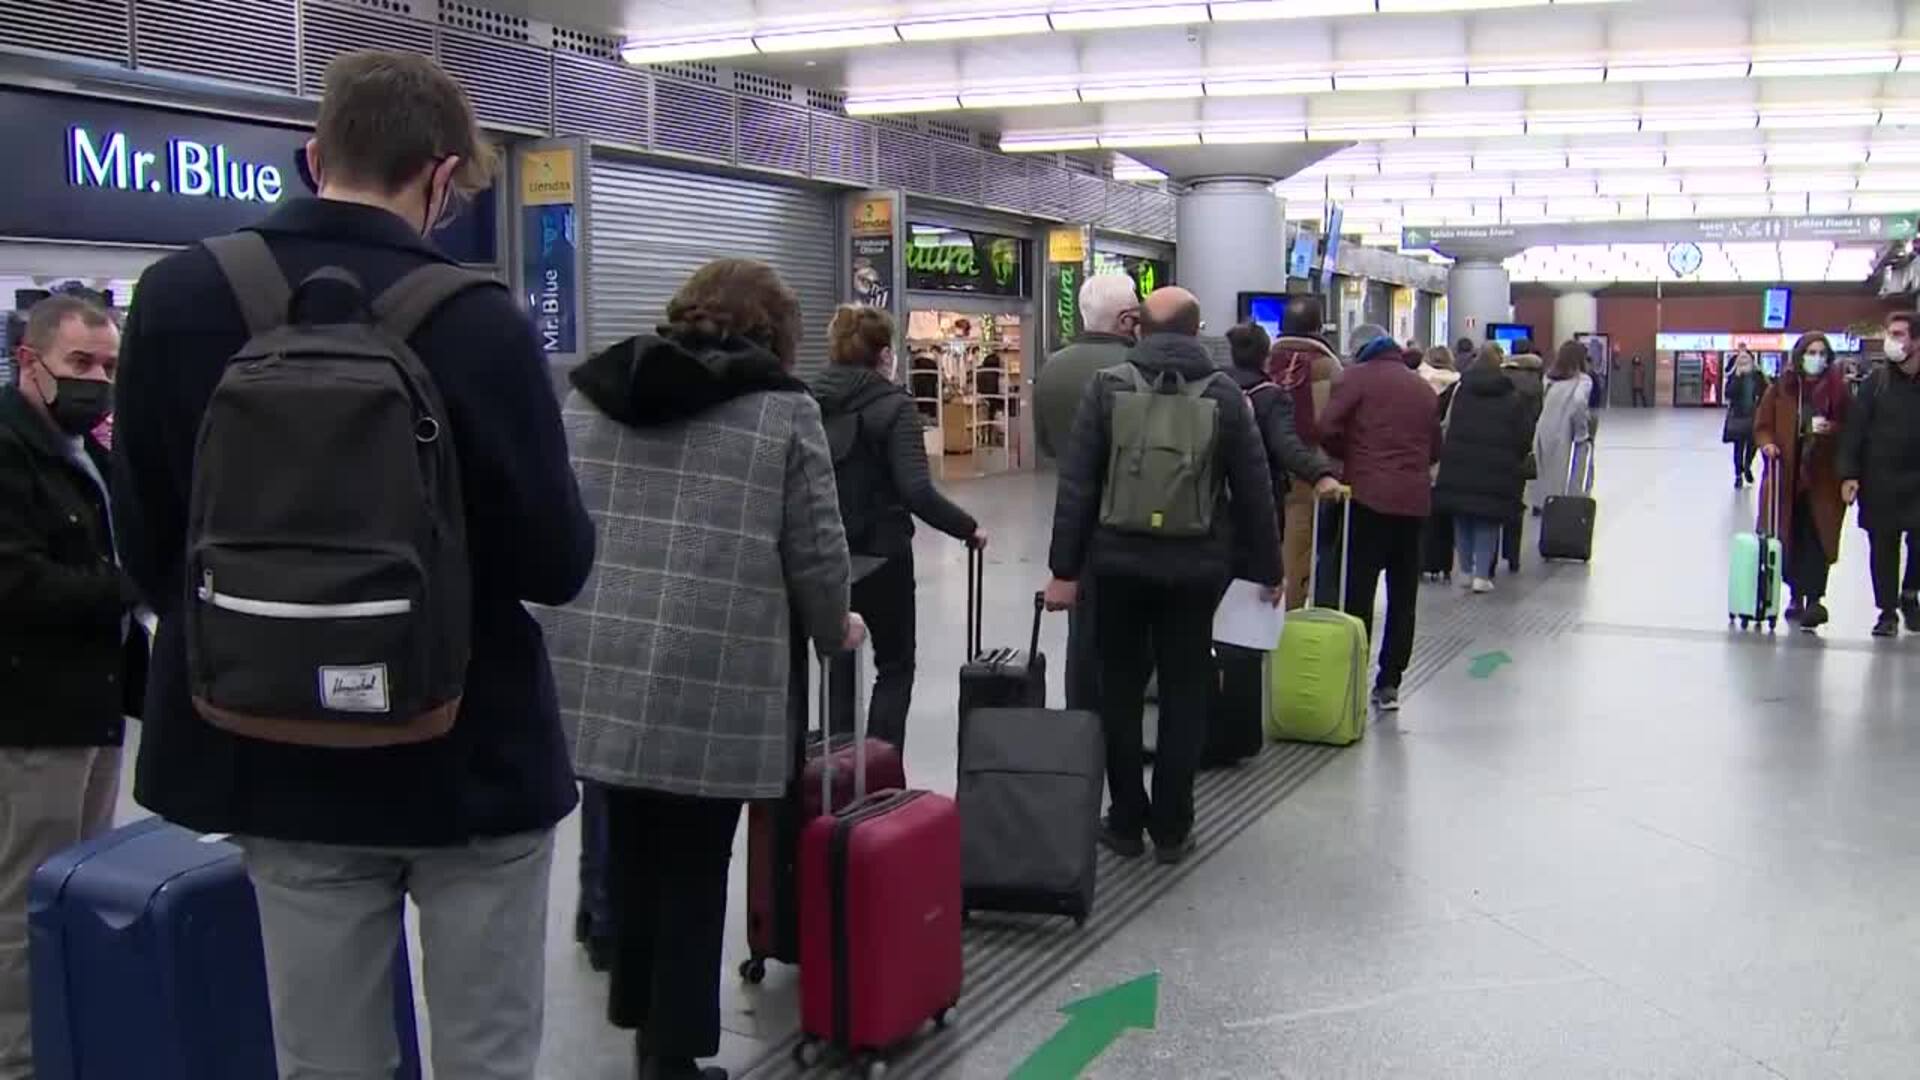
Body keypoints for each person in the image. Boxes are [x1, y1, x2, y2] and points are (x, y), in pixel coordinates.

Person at [111, 50, 597, 1080]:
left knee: (325, 1057)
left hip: (270, 746)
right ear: (441, 175)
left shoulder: (176, 297)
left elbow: (147, 540)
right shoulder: (478, 318)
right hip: (468, 753)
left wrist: (271, 636)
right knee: (487, 1053)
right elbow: (555, 561)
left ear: (312, 153)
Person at [552, 259, 861, 1080]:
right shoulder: (782, 412)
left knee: (627, 851)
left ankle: (641, 1018)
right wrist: (837, 628)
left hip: (601, 664)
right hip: (715, 674)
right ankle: (673, 1056)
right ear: (776, 333)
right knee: (693, 869)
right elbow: (818, 550)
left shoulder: (590, 392)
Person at [1044, 287, 1279, 865]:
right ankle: (1172, 828)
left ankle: (1125, 821)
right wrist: (1268, 570)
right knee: (1185, 694)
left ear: (1139, 329)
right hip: (1196, 570)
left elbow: (1077, 488)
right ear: (1200, 331)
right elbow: (1254, 490)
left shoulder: (1108, 387)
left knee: (1118, 693)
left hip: (1117, 566)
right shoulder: (1226, 394)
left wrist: (1063, 572)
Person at [0, 295, 137, 1077]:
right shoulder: (9, 449)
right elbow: (16, 583)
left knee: (74, 894)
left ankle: (69, 1044)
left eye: (108, 367)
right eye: (80, 365)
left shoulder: (89, 450)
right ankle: (21, 1060)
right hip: (30, 714)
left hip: (93, 705)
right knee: (23, 904)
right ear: (30, 361)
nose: (96, 382)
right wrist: (126, 585)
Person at [811, 305, 984, 749]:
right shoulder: (894, 407)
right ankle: (882, 775)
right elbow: (916, 492)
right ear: (885, 354)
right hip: (883, 554)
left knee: (838, 663)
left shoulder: (806, 403)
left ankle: (839, 776)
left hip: (826, 555)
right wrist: (967, 528)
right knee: (894, 666)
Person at [1315, 333, 1443, 712]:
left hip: (1367, 498)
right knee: (1404, 597)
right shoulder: (1422, 389)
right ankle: (1389, 683)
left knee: (1357, 591)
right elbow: (1436, 447)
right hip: (1414, 501)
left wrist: (1348, 457)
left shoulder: (1355, 378)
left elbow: (1326, 429)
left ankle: (1353, 674)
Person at [1035, 273, 1139, 711]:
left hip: (1077, 520)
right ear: (1125, 319)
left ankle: (1082, 728)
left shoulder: (1052, 368)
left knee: (1083, 634)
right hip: (1134, 521)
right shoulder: (1138, 371)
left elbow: (1044, 445)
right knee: (1134, 638)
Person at [1755, 332, 1851, 633]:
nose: (1817, 358)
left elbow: (1852, 428)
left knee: (1818, 539)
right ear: (1800, 355)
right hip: (1787, 478)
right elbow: (1763, 425)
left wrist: (1831, 429)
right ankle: (1795, 595)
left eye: (1822, 353)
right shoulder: (1781, 390)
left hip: (1823, 480)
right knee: (1789, 535)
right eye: (1811, 352)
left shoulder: (1839, 390)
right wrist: (1768, 445)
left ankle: (1815, 599)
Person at [1838, 311, 1920, 637]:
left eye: (1899, 334)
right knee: (1883, 546)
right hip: (1880, 480)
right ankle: (1886, 611)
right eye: (1891, 333)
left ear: (1916, 341)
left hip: (1918, 481)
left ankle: (1910, 593)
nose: (1892, 340)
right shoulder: (1876, 383)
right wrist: (1848, 474)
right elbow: (1854, 431)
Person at [1432, 344, 1533, 594]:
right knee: (1487, 520)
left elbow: (1443, 421)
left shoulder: (1460, 391)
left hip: (1459, 463)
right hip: (1496, 468)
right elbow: (1523, 436)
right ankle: (1481, 576)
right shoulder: (1511, 396)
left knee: (1463, 516)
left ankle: (1465, 571)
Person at [1268, 296, 1345, 609]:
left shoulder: (1265, 358)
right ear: (1318, 327)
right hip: (1307, 468)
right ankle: (1290, 610)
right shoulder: (1329, 365)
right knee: (1298, 542)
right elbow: (1333, 422)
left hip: (1263, 463)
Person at [1528, 341, 1595, 514]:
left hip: (1543, 429)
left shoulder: (1548, 378)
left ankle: (1541, 504)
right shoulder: (1583, 380)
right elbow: (1579, 402)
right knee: (1566, 473)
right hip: (1564, 431)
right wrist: (1582, 431)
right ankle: (1565, 507)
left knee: (1543, 470)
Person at [1723, 350, 1769, 489]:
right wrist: (1737, 377)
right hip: (1738, 416)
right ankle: (1738, 475)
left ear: (1751, 360)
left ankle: (1747, 466)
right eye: (1740, 359)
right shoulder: (1734, 376)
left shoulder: (1758, 376)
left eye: (1746, 358)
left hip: (1754, 416)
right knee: (1738, 447)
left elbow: (1767, 392)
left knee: (1752, 446)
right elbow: (1729, 394)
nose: (1743, 361)